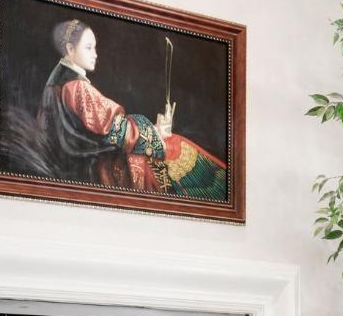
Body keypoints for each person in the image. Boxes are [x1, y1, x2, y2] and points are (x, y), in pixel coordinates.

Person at [37, 19, 226, 201]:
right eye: (88, 48)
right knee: (176, 146)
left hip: (79, 160)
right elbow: (118, 130)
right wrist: (155, 133)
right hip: (97, 165)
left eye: (94, 47)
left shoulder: (53, 85)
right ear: (70, 49)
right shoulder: (76, 87)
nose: (95, 54)